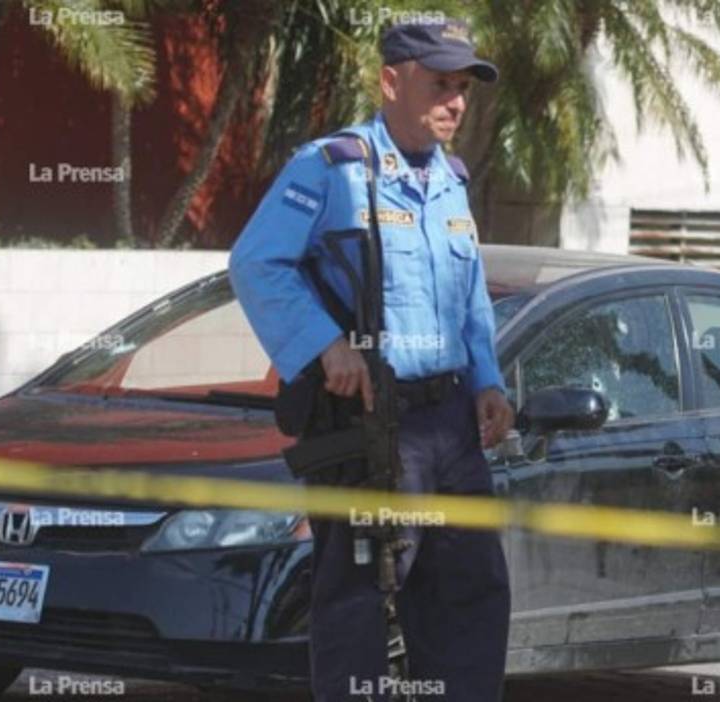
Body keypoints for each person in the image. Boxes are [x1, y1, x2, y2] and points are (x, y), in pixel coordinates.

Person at [228, 19, 513, 702]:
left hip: (450, 426)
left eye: (463, 88)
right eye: (439, 84)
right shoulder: (332, 168)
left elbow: (468, 292)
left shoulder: (451, 178)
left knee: (472, 595)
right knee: (360, 602)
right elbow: (255, 263)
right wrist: (324, 346)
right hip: (370, 425)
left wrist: (488, 382)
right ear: (391, 81)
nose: (455, 102)